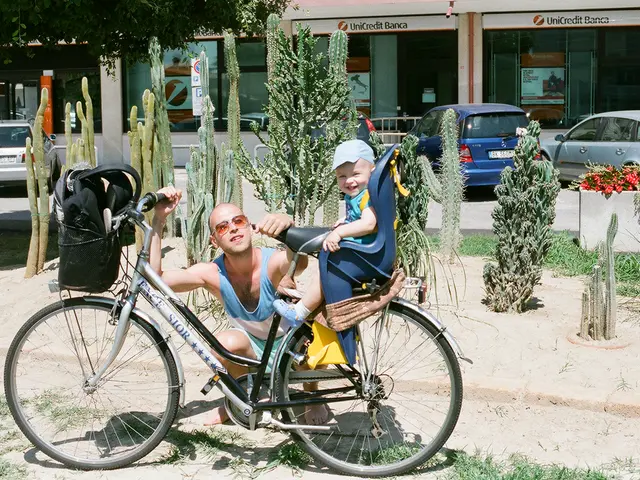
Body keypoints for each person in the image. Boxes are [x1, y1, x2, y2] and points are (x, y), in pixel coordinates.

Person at [148, 188, 330, 425]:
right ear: (214, 240)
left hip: (292, 345)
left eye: (238, 221)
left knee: (308, 337)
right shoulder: (213, 274)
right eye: (223, 227)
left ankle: (311, 395)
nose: (233, 228)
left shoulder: (271, 262)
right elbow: (156, 276)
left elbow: (298, 261)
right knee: (222, 346)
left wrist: (287, 228)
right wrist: (159, 218)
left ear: (250, 227)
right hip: (254, 350)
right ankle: (241, 398)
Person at [273, 139, 378, 326]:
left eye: (355, 174)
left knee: (326, 271)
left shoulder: (369, 196)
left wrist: (340, 232)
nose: (349, 180)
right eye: (341, 176)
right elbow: (360, 220)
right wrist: (346, 222)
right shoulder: (359, 195)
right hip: (360, 252)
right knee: (325, 267)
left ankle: (300, 311)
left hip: (364, 256)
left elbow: (369, 224)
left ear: (372, 170)